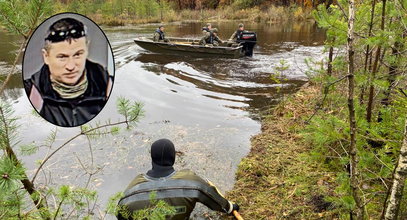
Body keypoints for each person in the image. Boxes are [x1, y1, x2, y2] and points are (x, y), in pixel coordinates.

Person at [118, 139, 240, 220]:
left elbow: (120, 214)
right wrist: (231, 207)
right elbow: (217, 202)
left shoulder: (131, 192)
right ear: (173, 157)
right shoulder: (191, 183)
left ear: (152, 158)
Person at [24, 17, 113, 127]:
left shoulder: (108, 87)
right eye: (62, 57)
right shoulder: (29, 93)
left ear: (87, 50)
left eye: (77, 55)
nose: (71, 66)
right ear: (46, 56)